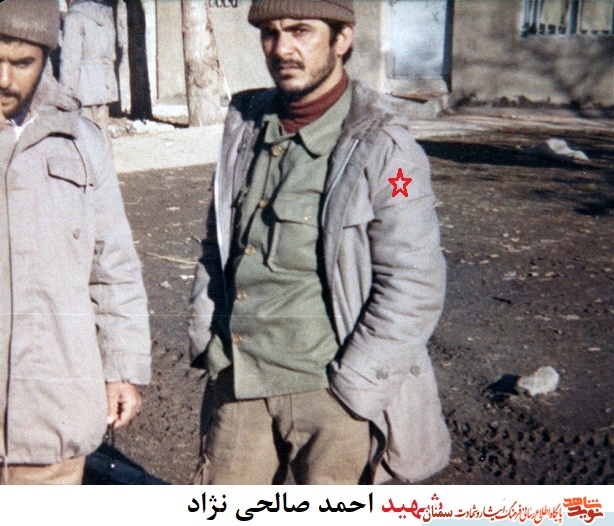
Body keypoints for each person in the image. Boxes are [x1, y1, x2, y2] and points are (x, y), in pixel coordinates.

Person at [189, 0, 450, 485]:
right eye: (270, 32)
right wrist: (207, 336)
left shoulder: (386, 147)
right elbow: (218, 242)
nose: (281, 48)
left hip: (330, 396)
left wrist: (355, 388)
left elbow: (414, 283)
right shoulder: (245, 124)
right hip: (238, 382)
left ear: (342, 38)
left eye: (300, 31)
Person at [0, 0, 150, 485]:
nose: (4, 79)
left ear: (47, 56)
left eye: (21, 62)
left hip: (52, 422)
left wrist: (121, 369)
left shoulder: (82, 142)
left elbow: (113, 265)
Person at [60, 0, 118, 141]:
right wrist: (109, 88)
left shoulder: (74, 18)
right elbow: (109, 56)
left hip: (81, 88)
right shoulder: (105, 18)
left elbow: (70, 60)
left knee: (83, 140)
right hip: (103, 87)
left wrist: (65, 93)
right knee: (102, 138)